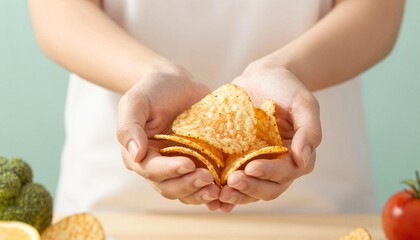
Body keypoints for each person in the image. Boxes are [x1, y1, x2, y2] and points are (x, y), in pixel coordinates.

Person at [28, 0, 404, 214]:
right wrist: (150, 73)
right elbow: (58, 12)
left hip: (314, 203)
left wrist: (287, 69)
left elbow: (378, 13)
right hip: (116, 203)